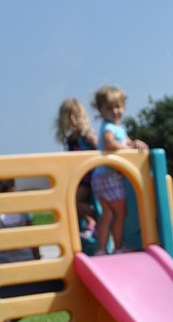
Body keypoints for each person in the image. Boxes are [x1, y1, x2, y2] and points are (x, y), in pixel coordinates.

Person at [90, 85, 148, 254]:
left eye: (118, 107)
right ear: (100, 110)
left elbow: (127, 142)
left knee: (107, 214)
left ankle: (101, 249)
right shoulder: (109, 128)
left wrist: (135, 143)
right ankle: (117, 247)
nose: (115, 111)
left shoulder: (118, 128)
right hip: (109, 176)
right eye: (109, 108)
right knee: (120, 213)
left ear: (123, 107)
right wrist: (129, 149)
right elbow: (109, 143)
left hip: (100, 176)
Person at [55, 97, 98, 241]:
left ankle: (92, 219)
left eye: (76, 118)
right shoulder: (71, 139)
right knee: (66, 199)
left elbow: (100, 149)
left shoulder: (87, 136)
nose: (73, 122)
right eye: (69, 119)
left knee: (73, 200)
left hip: (88, 177)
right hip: (78, 177)